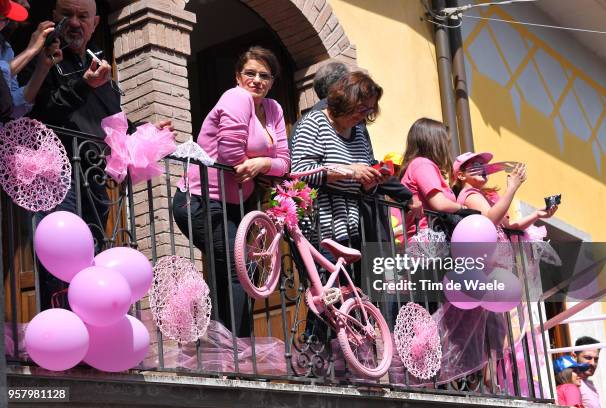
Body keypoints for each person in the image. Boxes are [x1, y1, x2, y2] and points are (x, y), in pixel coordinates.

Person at [25, 0, 174, 310]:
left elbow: (113, 123)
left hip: (95, 179)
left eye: (83, 17)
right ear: (54, 19)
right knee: (60, 259)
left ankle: (88, 334)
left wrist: (145, 132)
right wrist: (83, 85)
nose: (75, 24)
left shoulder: (102, 68)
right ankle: (61, 333)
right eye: (67, 15)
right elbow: (42, 114)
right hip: (56, 177)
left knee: (90, 256)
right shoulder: (44, 61)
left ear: (95, 24)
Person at [173, 46, 290, 337]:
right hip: (201, 201)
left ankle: (229, 346)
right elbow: (229, 152)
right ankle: (233, 347)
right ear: (238, 77)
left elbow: (285, 161)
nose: (257, 80)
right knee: (238, 269)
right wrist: (256, 165)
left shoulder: (273, 108)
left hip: (237, 204)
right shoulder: (236, 97)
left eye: (265, 75)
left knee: (238, 272)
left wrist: (263, 163)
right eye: (250, 73)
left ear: (272, 81)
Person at [291, 71, 388, 248]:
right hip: (321, 228)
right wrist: (348, 170)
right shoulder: (315, 122)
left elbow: (357, 180)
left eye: (369, 110)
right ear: (345, 100)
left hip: (352, 228)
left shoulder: (358, 131)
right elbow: (300, 170)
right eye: (361, 108)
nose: (364, 115)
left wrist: (369, 184)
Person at [398, 117, 472, 239]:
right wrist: (462, 208)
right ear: (435, 143)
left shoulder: (421, 165)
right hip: (427, 242)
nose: (448, 148)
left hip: (430, 239)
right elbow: (440, 204)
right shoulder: (423, 164)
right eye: (446, 143)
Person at [452, 151, 558, 231]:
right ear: (461, 175)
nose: (484, 169)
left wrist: (536, 214)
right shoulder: (470, 194)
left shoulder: (482, 197)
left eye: (485, 166)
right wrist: (511, 188)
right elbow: (489, 221)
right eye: (476, 165)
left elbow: (509, 226)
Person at [1, 0, 62, 119]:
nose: (28, 5)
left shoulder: (6, 49)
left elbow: (13, 108)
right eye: (3, 18)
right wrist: (30, 50)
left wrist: (43, 67)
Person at [572, 336, 602, 408]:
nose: (592, 363)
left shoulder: (589, 383)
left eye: (596, 359)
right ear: (574, 357)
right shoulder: (572, 382)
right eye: (588, 358)